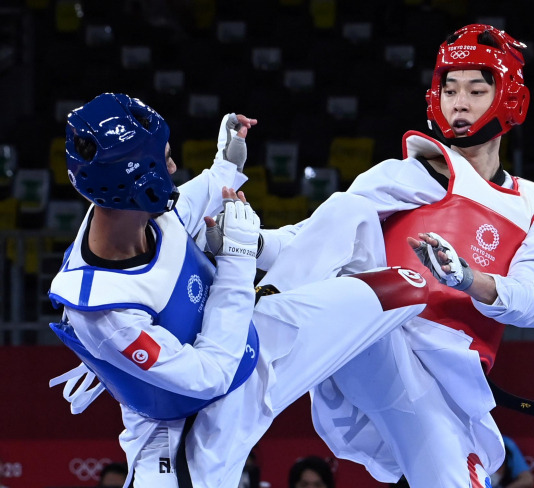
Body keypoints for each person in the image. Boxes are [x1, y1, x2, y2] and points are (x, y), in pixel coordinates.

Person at [48, 93, 429, 488]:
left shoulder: (136, 211)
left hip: (252, 336)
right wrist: (236, 259)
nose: (174, 166)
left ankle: (371, 441)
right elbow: (212, 375)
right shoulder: (104, 311)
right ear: (140, 181)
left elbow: (189, 204)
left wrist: (226, 163)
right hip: (191, 434)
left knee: (404, 286)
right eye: (165, 159)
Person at [255, 24, 534, 487]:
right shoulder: (404, 175)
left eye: (476, 90)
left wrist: (469, 279)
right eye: (449, 89)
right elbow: (312, 238)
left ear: (511, 99)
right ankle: (258, 334)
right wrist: (245, 242)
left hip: (445, 378)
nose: (459, 102)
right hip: (375, 334)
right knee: (349, 209)